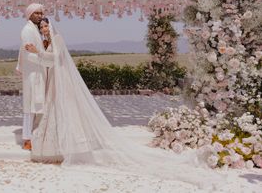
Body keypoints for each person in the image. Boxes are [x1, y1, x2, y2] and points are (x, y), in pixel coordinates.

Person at [24, 19, 227, 189]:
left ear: (51, 27)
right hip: (53, 81)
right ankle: (56, 146)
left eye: (45, 26)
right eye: (41, 26)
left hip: (62, 83)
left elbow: (56, 58)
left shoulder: (57, 39)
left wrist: (38, 52)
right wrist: (36, 53)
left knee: (63, 109)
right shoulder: (46, 42)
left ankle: (68, 146)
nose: (43, 29)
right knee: (54, 111)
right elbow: (48, 62)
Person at [16, 4, 53, 150]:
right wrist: (45, 59)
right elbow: (28, 54)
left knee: (37, 105)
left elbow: (37, 50)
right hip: (33, 73)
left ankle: (35, 135)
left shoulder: (35, 30)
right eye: (36, 13)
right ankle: (27, 140)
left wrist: (42, 51)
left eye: (40, 13)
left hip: (39, 72)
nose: (39, 15)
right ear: (29, 15)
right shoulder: (27, 30)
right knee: (30, 106)